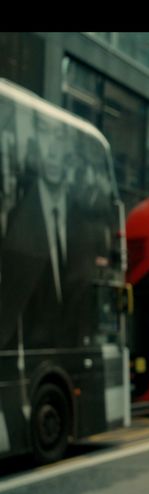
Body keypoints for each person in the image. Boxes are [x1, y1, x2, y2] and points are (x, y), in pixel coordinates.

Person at [0, 110, 78, 350]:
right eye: (45, 133)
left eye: (60, 136)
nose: (53, 151)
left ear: (70, 151)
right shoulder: (14, 220)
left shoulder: (83, 222)